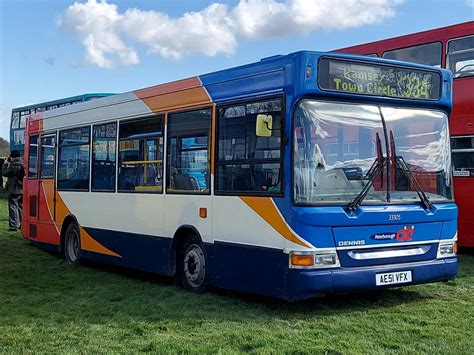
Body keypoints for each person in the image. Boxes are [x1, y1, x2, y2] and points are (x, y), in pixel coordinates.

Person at [2, 150, 25, 231]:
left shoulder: (13, 166)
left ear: (12, 157)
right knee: (21, 208)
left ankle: (13, 226)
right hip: (22, 189)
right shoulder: (23, 164)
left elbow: (4, 173)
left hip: (14, 190)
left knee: (13, 208)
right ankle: (23, 225)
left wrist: (5, 164)